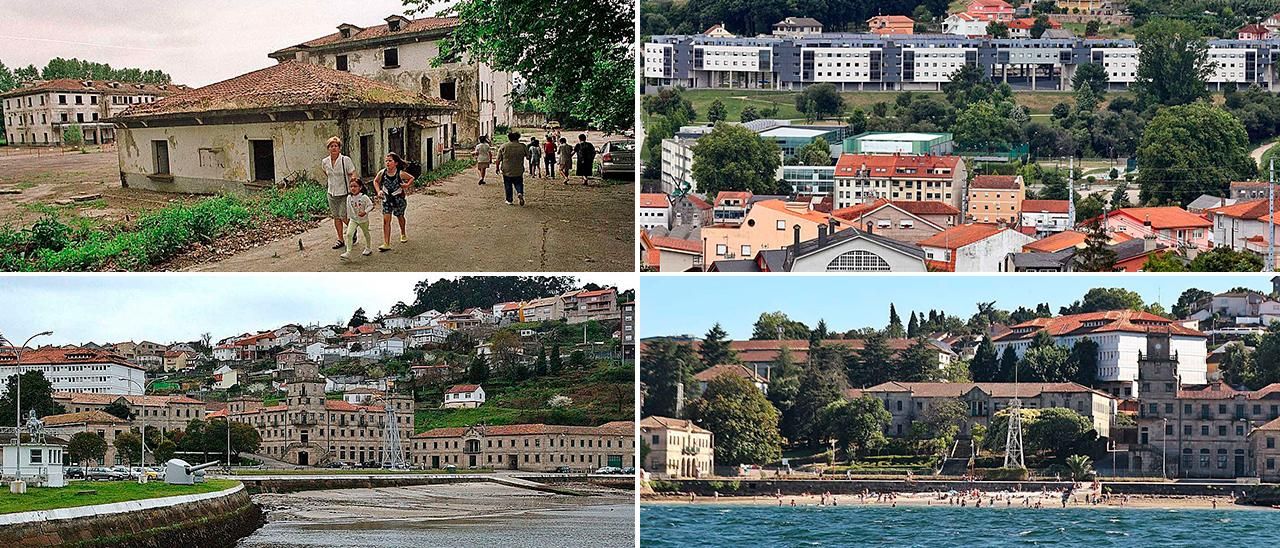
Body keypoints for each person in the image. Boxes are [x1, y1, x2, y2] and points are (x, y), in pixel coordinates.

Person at [372, 152, 415, 251]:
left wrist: (406, 185)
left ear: (396, 163)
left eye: (390, 161)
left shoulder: (400, 173)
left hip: (398, 199)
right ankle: (386, 243)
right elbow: (375, 181)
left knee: (400, 216)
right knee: (386, 220)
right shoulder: (382, 173)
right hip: (386, 199)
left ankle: (403, 233)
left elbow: (411, 178)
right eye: (386, 161)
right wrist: (378, 191)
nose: (387, 163)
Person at [322, 136, 359, 250]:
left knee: (343, 216)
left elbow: (353, 172)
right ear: (328, 148)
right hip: (331, 192)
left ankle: (353, 230)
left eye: (336, 146)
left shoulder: (345, 160)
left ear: (339, 148)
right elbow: (326, 173)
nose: (334, 148)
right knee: (336, 217)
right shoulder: (325, 161)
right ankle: (340, 239)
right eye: (331, 146)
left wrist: (352, 182)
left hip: (344, 192)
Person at [340, 179, 373, 260]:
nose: (353, 188)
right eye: (351, 186)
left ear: (360, 187)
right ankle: (348, 252)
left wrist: (365, 212)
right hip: (353, 219)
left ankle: (368, 248)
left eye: (355, 186)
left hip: (363, 220)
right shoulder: (349, 197)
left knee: (366, 233)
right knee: (349, 234)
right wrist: (348, 218)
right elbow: (349, 208)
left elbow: (371, 205)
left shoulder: (364, 197)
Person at [495, 131, 527, 206]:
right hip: (518, 169)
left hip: (507, 170)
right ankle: (519, 192)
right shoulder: (522, 146)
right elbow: (528, 156)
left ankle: (509, 200)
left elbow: (498, 159)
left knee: (508, 184)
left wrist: (497, 168)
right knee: (519, 183)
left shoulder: (504, 146)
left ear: (509, 138)